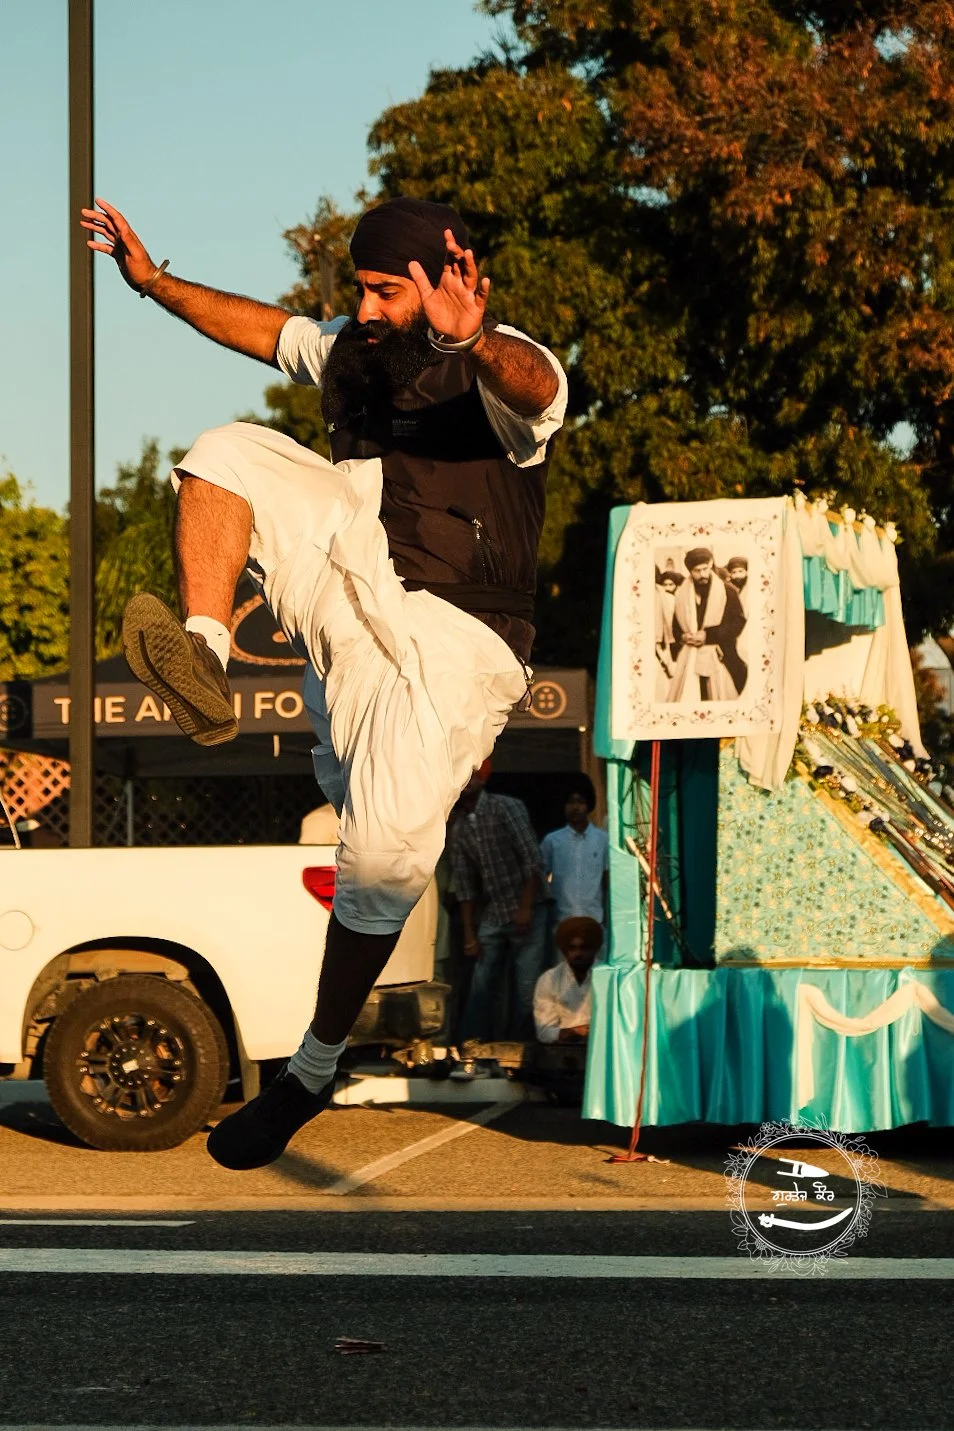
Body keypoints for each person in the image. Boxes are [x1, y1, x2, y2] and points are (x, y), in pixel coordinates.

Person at [82, 195, 567, 1167]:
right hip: (349, 576)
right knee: (223, 453)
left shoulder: (498, 370)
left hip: (457, 637)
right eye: (362, 289)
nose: (368, 307)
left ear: (441, 281)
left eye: (386, 289)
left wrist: (474, 341)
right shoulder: (354, 345)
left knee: (382, 857)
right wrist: (153, 283)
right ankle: (206, 662)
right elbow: (265, 328)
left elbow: (541, 384)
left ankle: (312, 1068)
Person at [448, 760, 548, 1069]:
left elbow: (533, 860)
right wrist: (468, 934)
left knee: (526, 987)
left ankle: (521, 1054)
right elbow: (464, 885)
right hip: (493, 911)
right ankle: (473, 1049)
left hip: (528, 906)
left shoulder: (506, 808)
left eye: (470, 776)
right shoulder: (459, 826)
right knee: (482, 982)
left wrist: (525, 907)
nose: (465, 782)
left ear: (481, 777)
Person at [530, 915, 602, 1105]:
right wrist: (576, 1031)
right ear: (564, 950)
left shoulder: (608, 977)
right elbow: (545, 1033)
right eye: (572, 948)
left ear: (595, 949)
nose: (578, 954)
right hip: (562, 1059)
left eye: (584, 948)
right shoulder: (549, 979)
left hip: (600, 1054)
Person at [666, 548, 747, 702]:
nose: (702, 574)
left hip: (722, 655)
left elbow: (738, 622)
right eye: (697, 571)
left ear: (711, 565)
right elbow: (675, 626)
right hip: (689, 657)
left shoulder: (727, 591)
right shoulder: (681, 593)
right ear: (690, 571)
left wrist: (708, 636)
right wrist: (683, 636)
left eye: (705, 569)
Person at [540, 774, 609, 929]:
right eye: (570, 802)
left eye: (580, 802)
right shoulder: (552, 841)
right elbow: (540, 877)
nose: (575, 807)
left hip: (595, 921)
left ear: (589, 805)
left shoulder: (603, 840)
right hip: (562, 921)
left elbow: (606, 880)